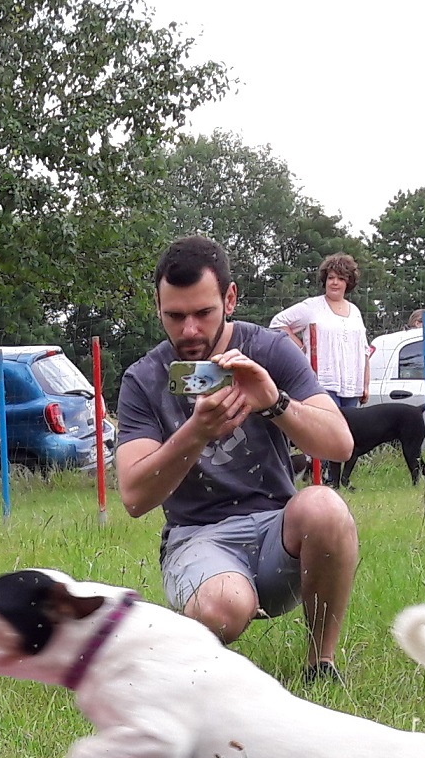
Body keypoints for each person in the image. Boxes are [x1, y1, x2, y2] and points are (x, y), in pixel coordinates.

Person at [113, 234, 357, 685]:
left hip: (276, 532)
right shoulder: (144, 379)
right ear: (158, 307)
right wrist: (196, 431)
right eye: (175, 316)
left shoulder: (268, 351)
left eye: (202, 313)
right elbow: (132, 495)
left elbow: (339, 443)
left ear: (230, 298)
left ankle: (320, 666)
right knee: (225, 607)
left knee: (325, 506)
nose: (189, 331)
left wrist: (274, 402)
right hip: (196, 538)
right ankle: (186, 669)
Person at [270, 253, 371, 487]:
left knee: (344, 434)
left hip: (350, 383)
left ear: (349, 282)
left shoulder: (354, 311)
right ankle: (319, 478)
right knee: (323, 431)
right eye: (331, 277)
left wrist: (365, 382)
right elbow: (278, 323)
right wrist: (301, 347)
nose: (334, 283)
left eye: (340, 278)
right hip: (321, 380)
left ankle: (336, 481)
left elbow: (363, 348)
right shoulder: (312, 307)